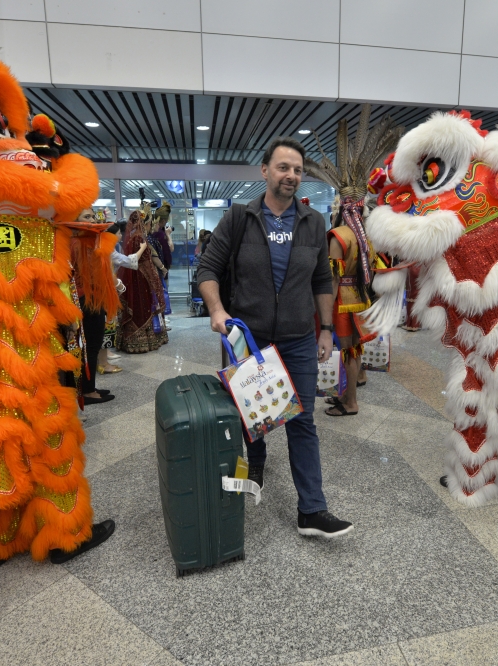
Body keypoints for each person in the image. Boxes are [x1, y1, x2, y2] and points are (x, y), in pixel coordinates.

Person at [197, 136, 353, 539]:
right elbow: (208, 269)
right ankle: (257, 460)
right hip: (247, 338)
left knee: (302, 419)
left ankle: (312, 511)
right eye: (284, 167)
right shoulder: (239, 217)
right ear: (265, 171)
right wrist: (217, 310)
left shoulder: (313, 222)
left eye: (298, 170)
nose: (292, 176)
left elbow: (322, 279)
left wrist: (324, 330)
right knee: (252, 417)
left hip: (299, 338)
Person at [324, 198, 377, 417]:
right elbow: (371, 272)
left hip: (343, 304)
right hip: (360, 299)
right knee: (354, 351)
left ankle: (351, 402)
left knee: (348, 352)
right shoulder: (365, 236)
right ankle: (346, 395)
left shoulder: (338, 236)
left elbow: (334, 280)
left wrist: (325, 313)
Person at [69, 208, 121, 404]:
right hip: (86, 300)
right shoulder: (77, 244)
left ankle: (89, 387)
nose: (92, 220)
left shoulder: (88, 242)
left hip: (93, 298)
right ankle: (87, 392)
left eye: (93, 216)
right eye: (86, 217)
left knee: (92, 344)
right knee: (90, 345)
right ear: (75, 220)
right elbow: (89, 275)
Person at [117, 205, 168, 353]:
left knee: (140, 306)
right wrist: (153, 277)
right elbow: (142, 260)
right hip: (141, 277)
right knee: (143, 306)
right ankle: (142, 340)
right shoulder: (139, 237)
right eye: (150, 221)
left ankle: (134, 339)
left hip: (137, 276)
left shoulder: (133, 237)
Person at [100, 221, 145, 373]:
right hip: (107, 289)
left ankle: (105, 355)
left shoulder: (110, 249)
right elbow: (128, 261)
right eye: (119, 233)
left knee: (109, 321)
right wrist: (142, 249)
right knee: (107, 322)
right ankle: (103, 360)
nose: (121, 235)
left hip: (109, 288)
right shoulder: (108, 251)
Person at [150, 203, 173, 325]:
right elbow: (170, 249)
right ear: (164, 220)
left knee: (160, 293)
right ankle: (161, 318)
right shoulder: (160, 235)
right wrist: (169, 236)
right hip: (160, 268)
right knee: (161, 293)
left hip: (160, 268)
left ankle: (161, 318)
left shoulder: (156, 233)